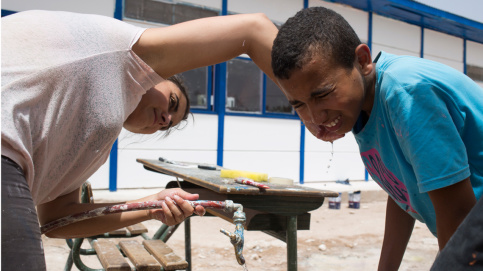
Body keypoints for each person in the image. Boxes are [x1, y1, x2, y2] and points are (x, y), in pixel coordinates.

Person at [1, 10, 278, 270]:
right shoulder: (126, 54)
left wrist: (152, 206)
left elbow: (57, 219)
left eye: (168, 125)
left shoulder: (96, 141)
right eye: (171, 102)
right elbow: (252, 29)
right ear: (154, 76)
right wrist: (313, 103)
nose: (166, 119)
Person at [271, 6, 483, 270]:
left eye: (322, 94)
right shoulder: (363, 108)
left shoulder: (406, 94)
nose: (315, 117)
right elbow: (402, 190)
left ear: (362, 61)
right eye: (299, 104)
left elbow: (459, 217)